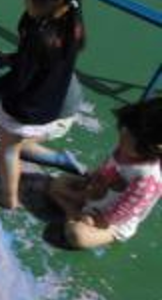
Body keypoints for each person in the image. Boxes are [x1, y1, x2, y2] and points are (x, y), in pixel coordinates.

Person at [0, 0, 88, 209]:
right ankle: (54, 160)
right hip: (49, 106)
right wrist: (9, 58)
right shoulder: (71, 21)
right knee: (12, 142)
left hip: (26, 109)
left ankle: (8, 196)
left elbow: (16, 82)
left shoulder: (40, 36)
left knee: (9, 149)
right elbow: (39, 64)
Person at [48, 97, 162, 249]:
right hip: (95, 196)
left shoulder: (147, 178)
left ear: (151, 149)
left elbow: (127, 210)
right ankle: (74, 214)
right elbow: (106, 166)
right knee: (58, 184)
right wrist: (90, 181)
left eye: (128, 137)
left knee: (78, 235)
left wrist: (99, 221)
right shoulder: (126, 147)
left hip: (112, 222)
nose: (122, 135)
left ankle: (73, 216)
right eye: (124, 130)